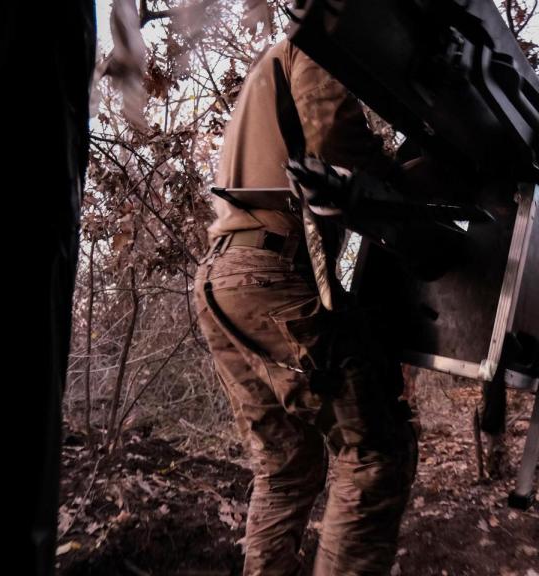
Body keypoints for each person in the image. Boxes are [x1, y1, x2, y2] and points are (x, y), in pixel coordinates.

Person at [193, 39, 417, 575]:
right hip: (270, 272)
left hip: (220, 280)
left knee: (286, 465)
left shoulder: (262, 74)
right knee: (375, 452)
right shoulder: (312, 42)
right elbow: (335, 136)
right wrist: (396, 180)